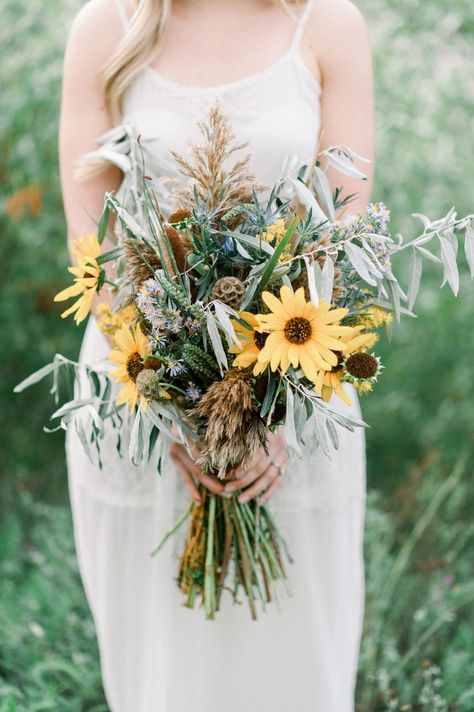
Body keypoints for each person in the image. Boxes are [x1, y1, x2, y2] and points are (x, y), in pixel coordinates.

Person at [59, 0, 375, 710]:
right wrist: (187, 411)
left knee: (298, 668)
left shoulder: (328, 25)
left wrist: (266, 414)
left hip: (299, 401)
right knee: (159, 675)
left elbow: (345, 233)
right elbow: (96, 248)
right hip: (141, 401)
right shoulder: (105, 28)